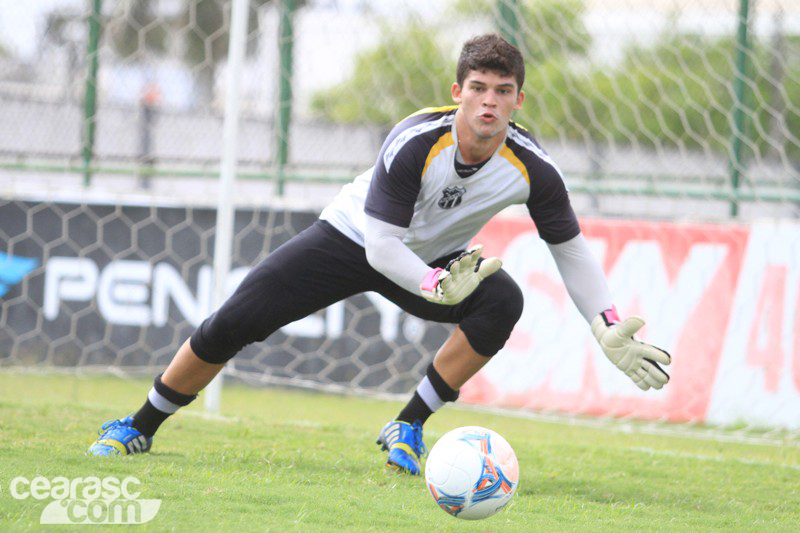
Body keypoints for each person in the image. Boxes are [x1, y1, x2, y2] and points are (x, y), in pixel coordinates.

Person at [89, 34, 671, 474]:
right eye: (478, 88)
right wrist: (432, 284)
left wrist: (607, 324)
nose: (489, 102)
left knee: (502, 301)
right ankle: (138, 426)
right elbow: (381, 245)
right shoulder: (418, 139)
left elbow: (569, 250)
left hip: (434, 260)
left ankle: (408, 427)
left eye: (501, 91)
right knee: (235, 320)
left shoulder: (534, 169)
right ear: (457, 92)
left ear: (519, 98)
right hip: (353, 239)